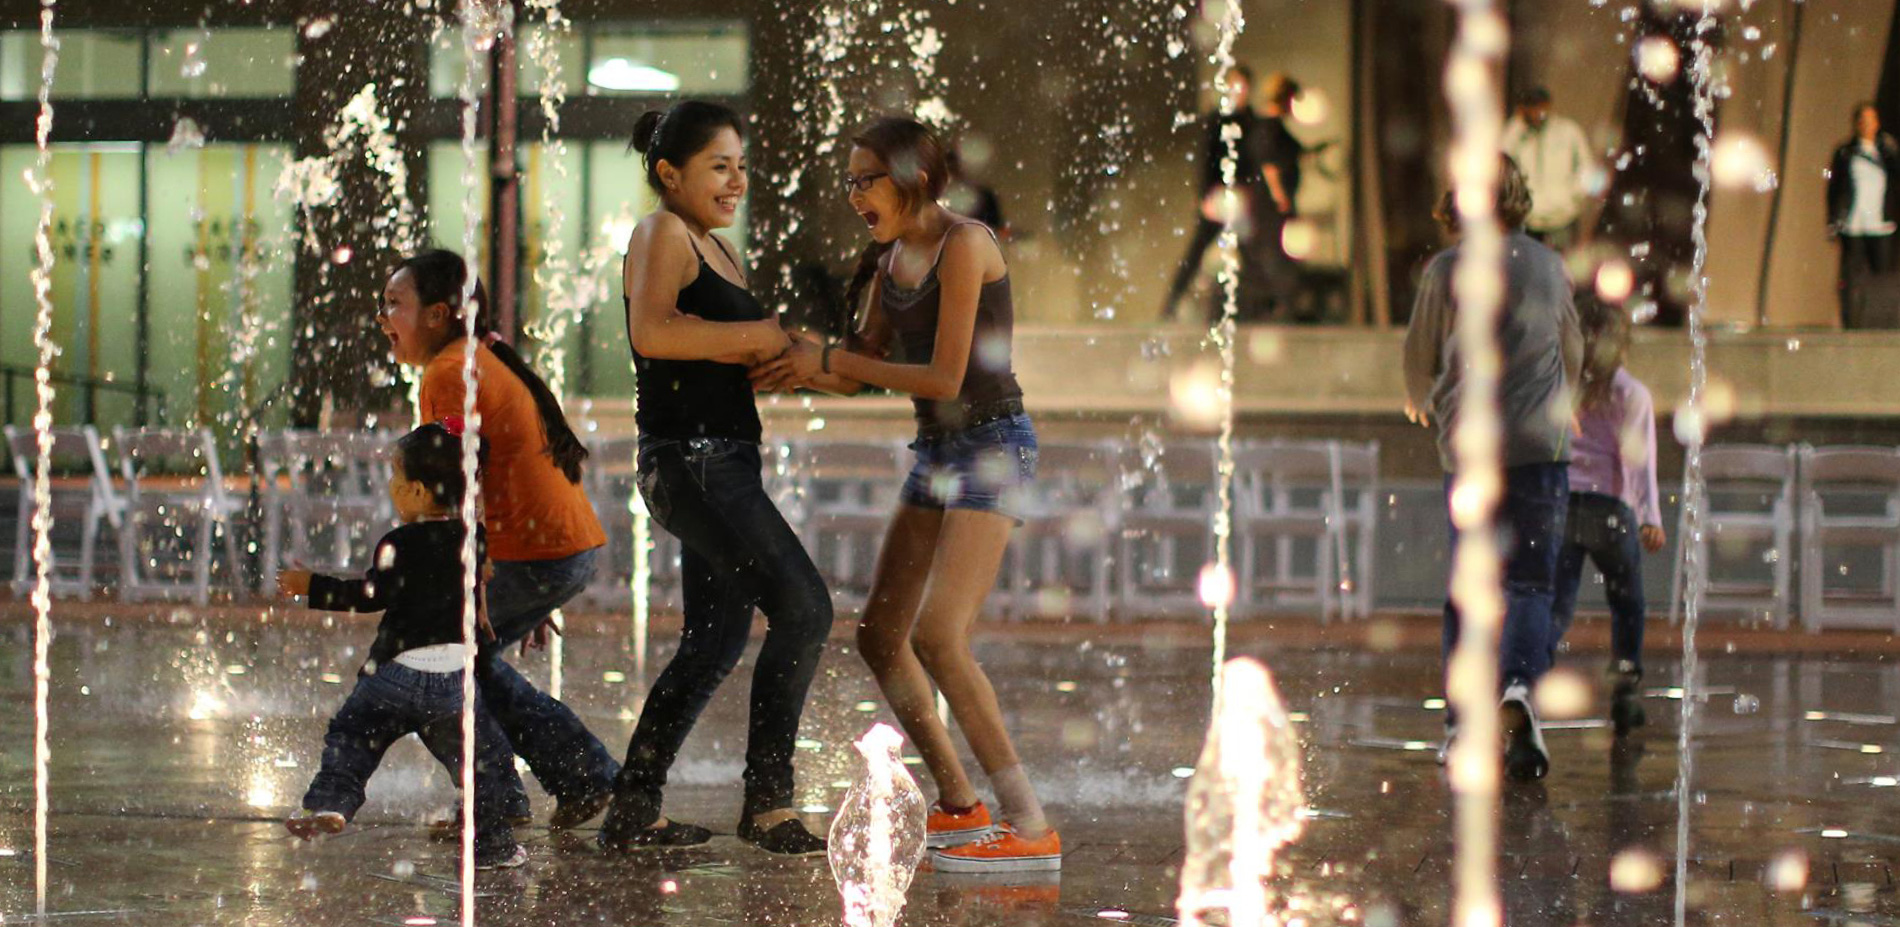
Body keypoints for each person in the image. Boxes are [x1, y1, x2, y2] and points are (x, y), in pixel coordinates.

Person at [751, 115, 1060, 872]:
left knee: (939, 635)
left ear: (913, 175)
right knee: (880, 635)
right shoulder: (891, 261)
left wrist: (823, 357)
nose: (855, 194)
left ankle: (1031, 827)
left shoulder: (967, 245)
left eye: (867, 179)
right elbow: (858, 369)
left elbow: (946, 377)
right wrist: (787, 359)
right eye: (849, 182)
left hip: (990, 445)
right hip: (939, 453)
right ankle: (962, 803)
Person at [597, 100, 833, 856]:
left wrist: (772, 361)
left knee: (713, 639)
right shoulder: (661, 231)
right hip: (691, 459)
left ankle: (633, 808)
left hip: (718, 456)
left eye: (740, 164)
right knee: (803, 608)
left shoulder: (712, 244)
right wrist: (755, 335)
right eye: (717, 166)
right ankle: (768, 803)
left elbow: (704, 349)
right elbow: (653, 330)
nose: (736, 180)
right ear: (669, 173)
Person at [380, 249, 620, 831]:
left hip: (542, 549)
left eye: (395, 305)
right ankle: (566, 780)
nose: (384, 319)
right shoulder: (474, 358)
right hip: (555, 545)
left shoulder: (447, 372)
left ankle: (516, 795)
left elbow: (456, 488)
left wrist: (483, 582)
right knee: (470, 665)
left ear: (438, 314)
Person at [1403, 154, 1582, 781]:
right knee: (1531, 583)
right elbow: (1573, 345)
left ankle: (1460, 726)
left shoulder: (1446, 269)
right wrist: (1569, 403)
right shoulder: (1549, 265)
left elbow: (1419, 353)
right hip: (1539, 448)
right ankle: (1518, 691)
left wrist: (1421, 397)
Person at [277, 421, 527, 870]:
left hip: (392, 675)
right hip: (452, 681)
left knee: (353, 736)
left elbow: (369, 596)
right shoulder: (475, 538)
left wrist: (310, 586)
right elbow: (479, 588)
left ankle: (331, 802)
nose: (391, 488)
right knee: (480, 759)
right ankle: (494, 844)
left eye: (395, 479)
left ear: (415, 493)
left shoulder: (397, 543)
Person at [1546, 295, 1664, 737]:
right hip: (1610, 509)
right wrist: (1650, 515)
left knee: (1556, 604)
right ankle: (1625, 690)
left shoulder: (1562, 386)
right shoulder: (1630, 394)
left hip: (1561, 503)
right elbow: (1638, 461)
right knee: (1627, 601)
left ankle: (1527, 679)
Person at [1162, 64, 1268, 321]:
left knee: (1250, 254)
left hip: (1240, 197)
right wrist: (1204, 197)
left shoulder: (1252, 122)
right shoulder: (1217, 119)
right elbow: (1206, 160)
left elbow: (1255, 162)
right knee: (1197, 251)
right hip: (1218, 195)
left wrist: (1252, 193)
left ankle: (1260, 308)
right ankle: (1172, 303)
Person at [1826, 102, 1900, 328]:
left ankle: (1881, 321)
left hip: (1880, 224)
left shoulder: (1886, 151)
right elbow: (1834, 189)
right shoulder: (1845, 152)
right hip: (1853, 223)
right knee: (1851, 275)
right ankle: (1852, 321)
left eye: (1871, 120)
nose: (1867, 125)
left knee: (1882, 273)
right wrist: (1833, 221)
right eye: (1863, 120)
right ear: (1856, 123)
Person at [1502, 86, 1596, 252]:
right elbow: (1502, 168)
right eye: (1529, 107)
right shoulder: (1514, 134)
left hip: (1563, 218)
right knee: (1530, 270)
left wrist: (1571, 196)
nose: (1535, 112)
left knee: (1563, 270)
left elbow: (1587, 169)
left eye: (1539, 106)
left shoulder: (1568, 132)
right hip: (1528, 219)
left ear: (1547, 106)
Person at [1251, 72, 1309, 321]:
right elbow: (1269, 164)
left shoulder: (1272, 128)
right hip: (1273, 206)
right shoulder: (1268, 128)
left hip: (1277, 205)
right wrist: (1279, 195)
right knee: (1276, 255)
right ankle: (1280, 306)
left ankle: (1281, 305)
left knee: (1278, 254)